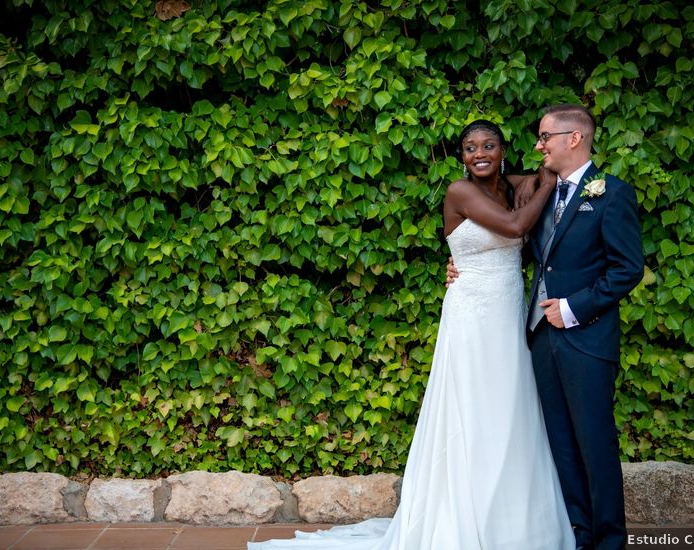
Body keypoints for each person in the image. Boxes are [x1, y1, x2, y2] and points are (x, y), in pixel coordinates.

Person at [249, 120, 575, 550]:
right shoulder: (461, 192)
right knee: (472, 408)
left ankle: (508, 518)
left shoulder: (510, 186)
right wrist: (548, 181)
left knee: (509, 404)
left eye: (489, 145)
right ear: (460, 156)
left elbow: (542, 180)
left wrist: (548, 167)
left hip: (507, 312)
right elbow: (515, 228)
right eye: (470, 147)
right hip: (472, 315)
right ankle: (463, 514)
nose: (479, 153)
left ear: (502, 150)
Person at [455, 105, 644, 550]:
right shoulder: (540, 191)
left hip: (587, 337)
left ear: (573, 139)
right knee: (560, 443)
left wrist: (575, 307)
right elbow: (516, 249)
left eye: (545, 137)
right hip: (540, 338)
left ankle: (609, 542)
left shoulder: (611, 194)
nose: (538, 146)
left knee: (595, 444)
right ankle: (579, 535)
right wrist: (461, 264)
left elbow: (627, 269)